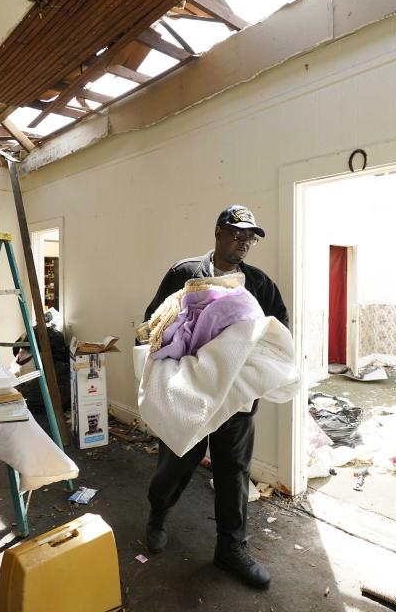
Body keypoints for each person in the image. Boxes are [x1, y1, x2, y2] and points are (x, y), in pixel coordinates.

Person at [142, 205, 289, 590]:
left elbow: (277, 334)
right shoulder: (186, 273)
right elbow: (156, 320)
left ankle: (231, 548)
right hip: (189, 393)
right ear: (218, 232)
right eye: (238, 232)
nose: (245, 241)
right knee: (176, 463)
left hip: (236, 398)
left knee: (233, 471)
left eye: (251, 235)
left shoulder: (259, 284)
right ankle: (157, 515)